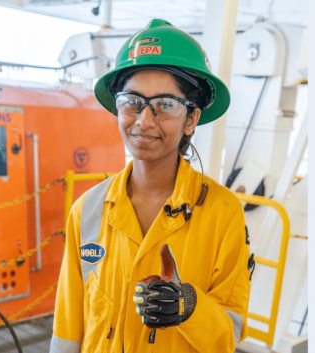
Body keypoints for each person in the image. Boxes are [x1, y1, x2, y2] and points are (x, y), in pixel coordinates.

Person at [50, 19, 253, 353]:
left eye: (165, 105)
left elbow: (229, 334)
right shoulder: (87, 210)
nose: (144, 120)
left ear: (191, 119)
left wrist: (190, 306)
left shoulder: (222, 211)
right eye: (132, 101)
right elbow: (69, 326)